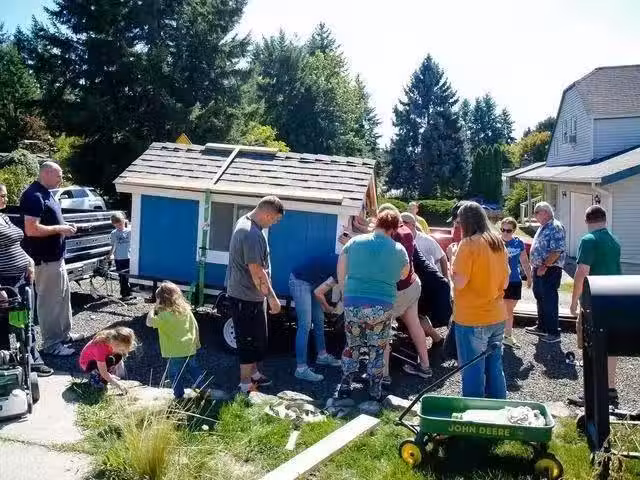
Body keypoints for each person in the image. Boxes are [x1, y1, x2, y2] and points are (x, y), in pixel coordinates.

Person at [335, 209, 409, 402]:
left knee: (352, 344)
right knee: (377, 347)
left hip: (353, 301)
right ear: (394, 229)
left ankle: (345, 384)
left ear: (376, 223)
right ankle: (374, 389)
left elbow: (341, 267)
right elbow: (404, 275)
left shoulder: (354, 242)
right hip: (382, 304)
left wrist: (344, 291)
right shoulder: (398, 249)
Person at [226, 195, 284, 393]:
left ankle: (255, 374)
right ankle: (245, 384)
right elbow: (257, 271)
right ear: (267, 215)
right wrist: (273, 298)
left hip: (251, 296)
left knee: (257, 338)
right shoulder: (251, 233)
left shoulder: (246, 223)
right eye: (275, 220)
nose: (274, 223)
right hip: (245, 297)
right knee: (248, 340)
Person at [451, 201, 509, 399]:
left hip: (472, 317)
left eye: (459, 223)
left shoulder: (468, 244)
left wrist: (452, 262)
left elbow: (459, 282)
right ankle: (499, 409)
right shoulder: (497, 243)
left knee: (472, 370)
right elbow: (506, 282)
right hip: (497, 314)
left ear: (465, 222)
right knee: (495, 367)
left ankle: (474, 411)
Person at [20, 162, 77, 356]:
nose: (61, 179)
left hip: (57, 257)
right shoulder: (33, 195)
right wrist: (61, 228)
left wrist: (65, 225)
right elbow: (31, 229)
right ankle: (51, 344)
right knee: (50, 302)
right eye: (59, 175)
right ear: (46, 173)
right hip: (45, 260)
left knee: (63, 298)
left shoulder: (47, 193)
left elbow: (49, 221)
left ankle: (64, 335)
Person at [568, 205, 621, 407]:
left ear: (587, 220)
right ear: (604, 219)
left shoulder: (588, 240)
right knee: (610, 345)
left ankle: (592, 393)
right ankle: (610, 388)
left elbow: (582, 272)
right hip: (614, 298)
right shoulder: (614, 241)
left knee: (591, 345)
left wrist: (574, 301)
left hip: (595, 301)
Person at [0, 183, 53, 376]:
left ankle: (31, 359)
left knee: (24, 321)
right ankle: (6, 365)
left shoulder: (3, 217)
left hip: (21, 278)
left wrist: (29, 261)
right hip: (5, 281)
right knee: (3, 324)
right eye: (2, 196)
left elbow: (14, 244)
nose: (6, 199)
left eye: (5, 195)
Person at [377, 204, 432, 380]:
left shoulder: (392, 235)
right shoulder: (406, 231)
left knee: (383, 329)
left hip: (397, 290)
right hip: (412, 285)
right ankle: (425, 366)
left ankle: (383, 375)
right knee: (414, 324)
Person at [146, 282, 205, 399]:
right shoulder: (186, 311)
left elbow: (149, 322)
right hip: (189, 347)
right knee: (194, 370)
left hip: (174, 351)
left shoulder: (164, 316)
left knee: (175, 374)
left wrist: (152, 309)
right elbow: (195, 326)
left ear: (161, 300)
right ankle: (204, 388)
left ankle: (179, 395)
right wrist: (197, 342)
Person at [289, 254, 342, 382]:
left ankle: (322, 356)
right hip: (299, 280)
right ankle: (301, 369)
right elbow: (319, 293)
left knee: (319, 320)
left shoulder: (344, 261)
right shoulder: (341, 268)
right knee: (305, 324)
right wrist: (327, 308)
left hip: (313, 283)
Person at [525, 202, 566, 343]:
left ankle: (553, 332)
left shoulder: (555, 227)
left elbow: (557, 250)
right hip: (540, 269)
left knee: (549, 300)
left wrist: (545, 266)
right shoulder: (544, 227)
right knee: (540, 298)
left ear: (545, 212)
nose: (535, 215)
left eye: (537, 212)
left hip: (550, 269)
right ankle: (542, 327)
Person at [500, 217, 532, 349]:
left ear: (513, 231)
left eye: (508, 230)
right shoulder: (496, 242)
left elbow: (524, 261)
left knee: (510, 309)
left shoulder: (518, 243)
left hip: (515, 280)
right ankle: (507, 336)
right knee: (508, 310)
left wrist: (529, 277)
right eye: (503, 230)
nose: (505, 233)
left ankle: (503, 333)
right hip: (501, 281)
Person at [79, 326, 136, 393]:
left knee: (118, 356)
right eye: (121, 349)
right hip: (88, 364)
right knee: (100, 386)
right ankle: (95, 377)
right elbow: (103, 371)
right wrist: (115, 383)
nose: (123, 351)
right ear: (115, 343)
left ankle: (107, 372)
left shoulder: (112, 341)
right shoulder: (100, 348)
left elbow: (119, 355)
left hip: (100, 360)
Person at [402, 212, 449, 280]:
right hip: (411, 279)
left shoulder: (426, 240)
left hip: (429, 277)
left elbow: (442, 256)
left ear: (413, 224)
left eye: (404, 222)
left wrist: (445, 276)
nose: (401, 226)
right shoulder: (399, 239)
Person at [109, 212, 132, 300]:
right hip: (119, 259)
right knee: (122, 277)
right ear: (114, 224)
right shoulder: (114, 233)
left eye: (120, 224)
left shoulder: (129, 231)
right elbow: (113, 246)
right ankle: (124, 294)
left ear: (123, 222)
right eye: (116, 225)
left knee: (129, 276)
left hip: (128, 257)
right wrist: (110, 255)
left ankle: (130, 293)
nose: (119, 226)